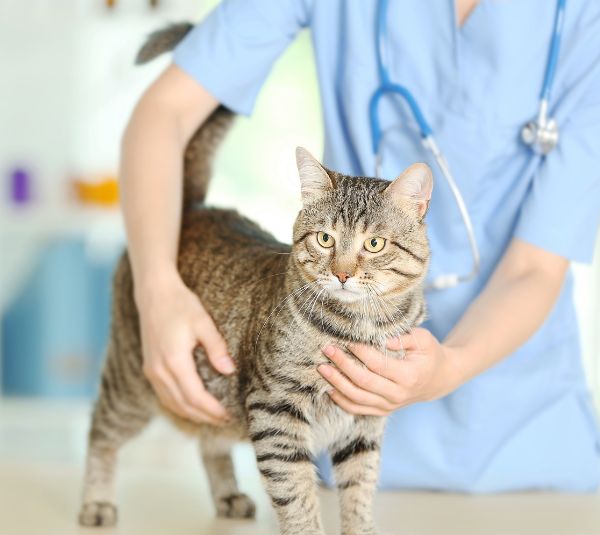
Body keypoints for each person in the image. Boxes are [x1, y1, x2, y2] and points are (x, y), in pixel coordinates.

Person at [120, 0, 600, 492]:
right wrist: (155, 288)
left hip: (525, 447)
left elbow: (536, 267)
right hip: (330, 430)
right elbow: (166, 110)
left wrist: (451, 365)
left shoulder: (584, 18)